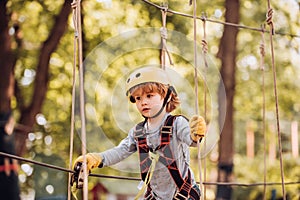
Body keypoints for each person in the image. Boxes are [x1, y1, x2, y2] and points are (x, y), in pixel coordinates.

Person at [72, 66, 207, 199]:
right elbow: (120, 151)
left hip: (183, 194)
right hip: (155, 197)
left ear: (166, 96)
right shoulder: (138, 132)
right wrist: (97, 158)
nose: (143, 102)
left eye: (149, 96)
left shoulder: (177, 123)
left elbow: (192, 141)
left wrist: (195, 134)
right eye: (138, 98)